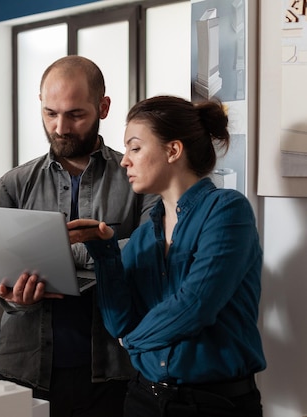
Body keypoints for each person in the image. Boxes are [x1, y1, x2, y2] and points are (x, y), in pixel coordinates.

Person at [69, 95, 266, 416]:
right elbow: (119, 322)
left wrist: (133, 342)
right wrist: (104, 250)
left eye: (135, 148)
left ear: (173, 150)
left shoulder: (228, 210)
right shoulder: (147, 233)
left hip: (216, 404)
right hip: (144, 398)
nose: (124, 161)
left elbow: (195, 306)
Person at [0, 55, 157, 416]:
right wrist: (16, 297)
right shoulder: (14, 184)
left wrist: (64, 252)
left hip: (114, 371)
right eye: (50, 113)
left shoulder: (139, 181)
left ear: (103, 107)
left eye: (75, 115)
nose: (61, 127)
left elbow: (150, 255)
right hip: (24, 370)